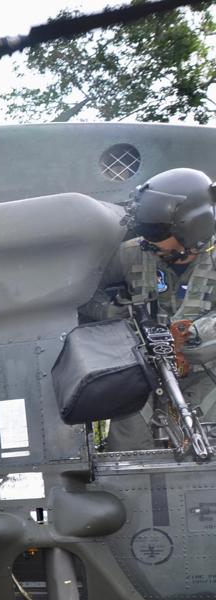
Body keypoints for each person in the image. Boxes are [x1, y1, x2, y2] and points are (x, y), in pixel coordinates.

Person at [98, 168, 216, 451]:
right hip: (143, 377)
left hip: (206, 376)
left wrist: (195, 334)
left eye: (157, 232)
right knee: (128, 447)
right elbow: (83, 296)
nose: (149, 240)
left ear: (192, 226)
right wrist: (108, 312)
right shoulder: (130, 254)